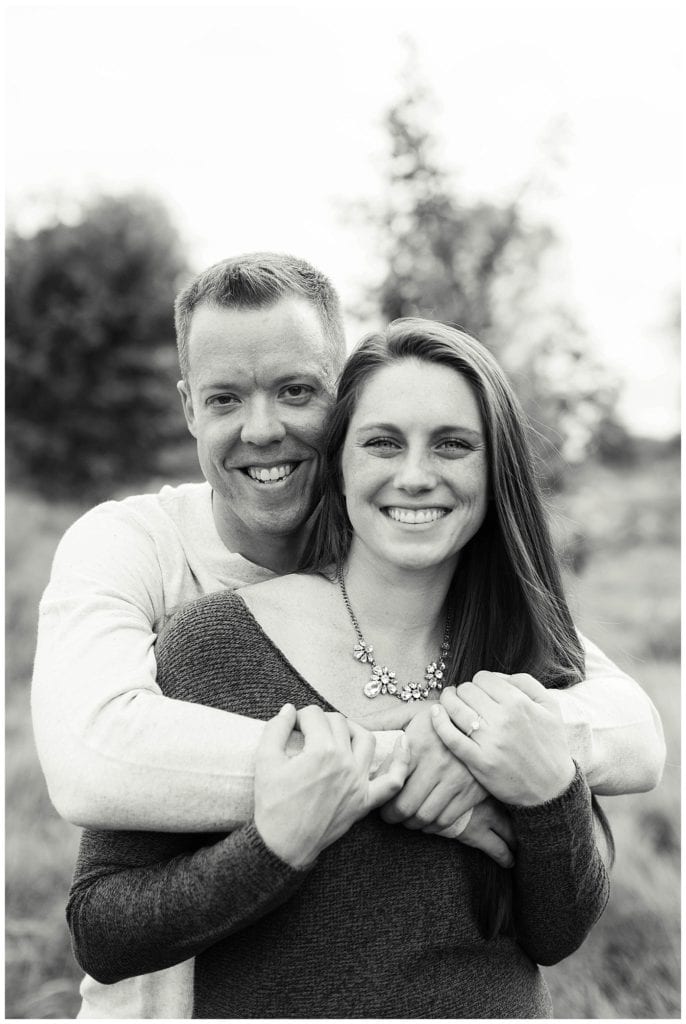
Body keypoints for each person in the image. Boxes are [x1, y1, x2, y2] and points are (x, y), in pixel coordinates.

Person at [32, 254, 664, 1019]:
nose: (263, 428)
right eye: (226, 396)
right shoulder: (182, 608)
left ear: (331, 409)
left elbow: (617, 772)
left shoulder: (512, 639)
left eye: (296, 391)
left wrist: (541, 781)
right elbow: (89, 772)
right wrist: (386, 772)